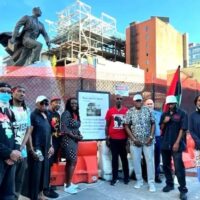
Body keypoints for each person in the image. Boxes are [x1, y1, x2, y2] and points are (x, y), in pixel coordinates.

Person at [124, 94, 156, 192]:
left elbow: (153, 123)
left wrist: (150, 137)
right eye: (136, 100)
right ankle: (139, 180)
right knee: (136, 162)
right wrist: (133, 139)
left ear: (142, 101)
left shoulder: (148, 110)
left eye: (140, 100)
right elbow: (126, 125)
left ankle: (151, 183)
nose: (138, 102)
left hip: (148, 141)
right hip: (135, 142)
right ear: (133, 102)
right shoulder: (130, 111)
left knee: (150, 162)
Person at [24, 95, 54, 200]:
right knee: (36, 172)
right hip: (37, 148)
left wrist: (51, 146)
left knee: (44, 171)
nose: (44, 105)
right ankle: (34, 196)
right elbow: (29, 133)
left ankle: (41, 194)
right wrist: (31, 149)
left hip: (46, 148)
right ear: (37, 104)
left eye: (46, 103)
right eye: (42, 103)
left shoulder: (47, 115)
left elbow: (50, 132)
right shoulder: (33, 115)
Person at [160, 95, 188, 200]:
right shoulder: (164, 114)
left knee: (179, 168)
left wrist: (176, 143)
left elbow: (183, 129)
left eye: (172, 103)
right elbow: (161, 128)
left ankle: (183, 189)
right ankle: (169, 184)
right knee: (166, 166)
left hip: (176, 145)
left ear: (176, 103)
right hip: (165, 144)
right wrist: (164, 122)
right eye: (169, 104)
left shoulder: (182, 114)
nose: (170, 105)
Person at [9, 85, 32, 200]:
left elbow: (28, 129)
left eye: (24, 92)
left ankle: (16, 196)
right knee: (8, 179)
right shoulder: (7, 108)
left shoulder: (26, 110)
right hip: (10, 150)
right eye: (19, 91)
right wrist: (14, 149)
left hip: (22, 151)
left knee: (19, 179)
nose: (22, 94)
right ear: (12, 93)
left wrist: (22, 147)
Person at [0, 82, 22, 199]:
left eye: (9, 92)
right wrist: (8, 153)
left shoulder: (10, 112)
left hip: (11, 159)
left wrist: (16, 151)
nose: (6, 94)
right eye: (2, 91)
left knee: (8, 194)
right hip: (3, 157)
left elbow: (17, 134)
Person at [105, 94, 129, 185]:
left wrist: (128, 139)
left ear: (122, 100)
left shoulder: (126, 111)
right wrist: (107, 137)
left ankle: (126, 177)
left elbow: (129, 125)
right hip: (113, 139)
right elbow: (107, 125)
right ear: (115, 100)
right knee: (114, 159)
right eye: (117, 98)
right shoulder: (110, 111)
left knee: (124, 159)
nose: (119, 100)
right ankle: (114, 178)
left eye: (120, 99)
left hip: (123, 139)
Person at [61, 97, 83, 194]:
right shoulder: (66, 113)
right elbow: (64, 128)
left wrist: (79, 135)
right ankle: (68, 185)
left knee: (71, 162)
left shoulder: (75, 114)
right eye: (72, 103)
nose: (74, 105)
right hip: (68, 140)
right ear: (68, 104)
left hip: (74, 140)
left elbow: (76, 127)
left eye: (76, 103)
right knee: (72, 160)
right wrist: (74, 136)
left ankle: (67, 183)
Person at [43, 97, 61, 199]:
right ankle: (46, 189)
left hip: (56, 142)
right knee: (47, 165)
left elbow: (57, 129)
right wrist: (51, 145)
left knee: (50, 165)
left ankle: (48, 184)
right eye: (56, 103)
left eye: (59, 103)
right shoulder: (48, 113)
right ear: (51, 103)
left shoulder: (57, 114)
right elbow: (48, 131)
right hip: (50, 144)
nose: (58, 104)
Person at [144, 98, 162, 183]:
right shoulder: (142, 115)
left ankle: (156, 175)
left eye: (151, 104)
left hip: (157, 138)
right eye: (148, 104)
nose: (150, 105)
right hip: (146, 138)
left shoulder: (159, 114)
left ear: (154, 105)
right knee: (147, 158)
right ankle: (147, 175)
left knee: (157, 157)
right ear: (145, 105)